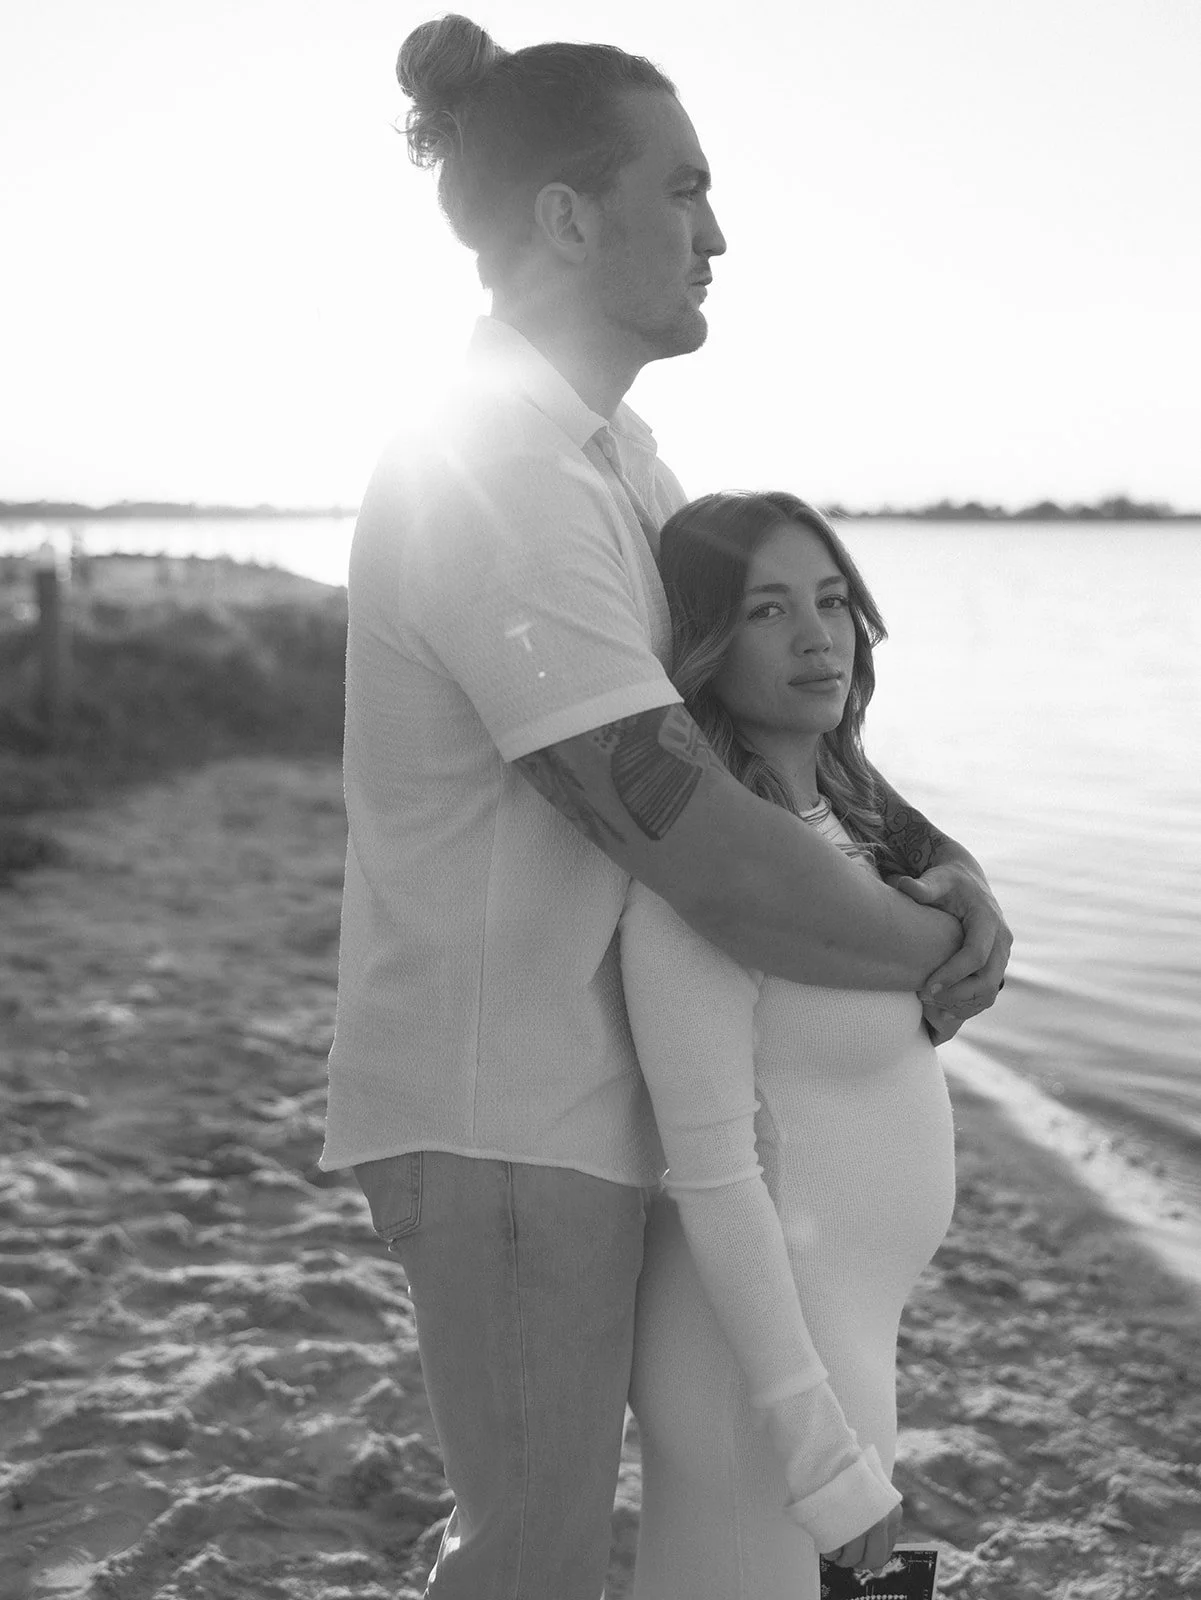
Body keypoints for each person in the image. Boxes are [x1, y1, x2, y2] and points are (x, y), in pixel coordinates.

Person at [319, 15, 1011, 1598]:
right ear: (568, 218)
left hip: (596, 1097)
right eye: (683, 189)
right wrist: (940, 952)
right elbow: (698, 844)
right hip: (509, 1105)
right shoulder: (498, 474)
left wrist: (947, 863)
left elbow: (748, 725)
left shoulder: (615, 460)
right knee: (534, 1559)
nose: (718, 235)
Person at [621, 491, 963, 1598]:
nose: (819, 637)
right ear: (704, 644)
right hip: (758, 1367)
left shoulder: (847, 831)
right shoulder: (706, 877)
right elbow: (711, 1173)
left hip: (844, 1333)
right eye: (768, 610)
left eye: (831, 600)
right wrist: (817, 1454)